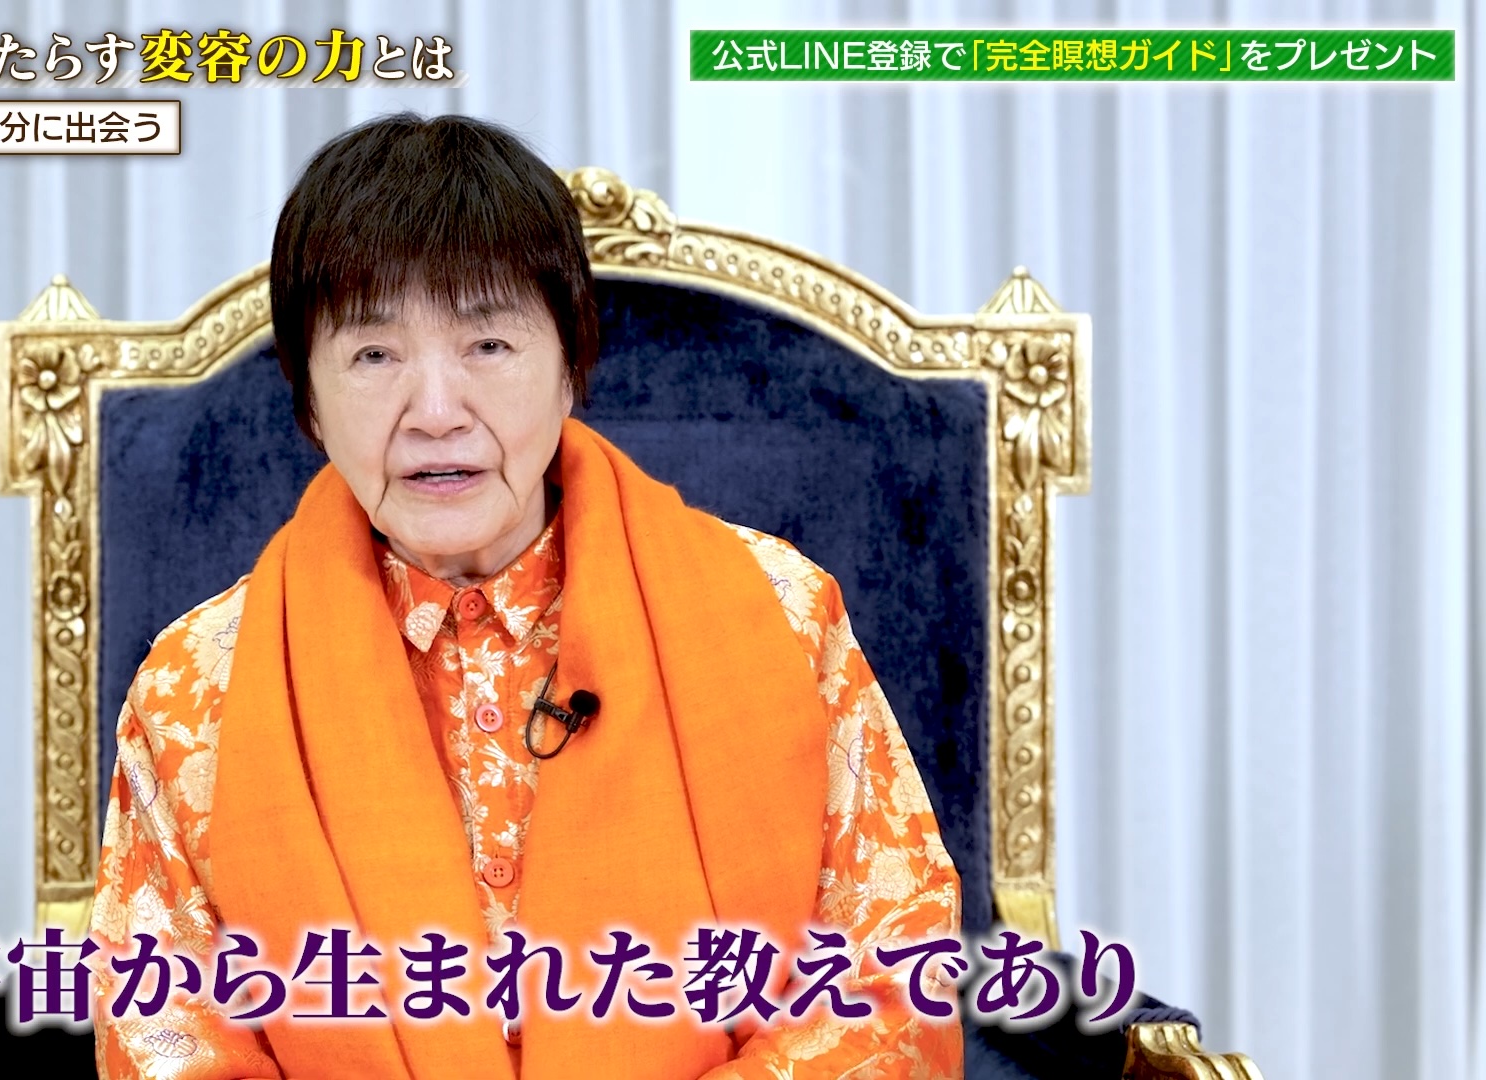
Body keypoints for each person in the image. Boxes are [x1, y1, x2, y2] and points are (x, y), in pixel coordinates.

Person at [89, 112, 961, 1079]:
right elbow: (163, 1034)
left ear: (570, 366)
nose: (436, 413)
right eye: (374, 355)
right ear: (308, 400)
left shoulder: (780, 612)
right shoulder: (194, 691)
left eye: (489, 344)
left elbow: (889, 970)